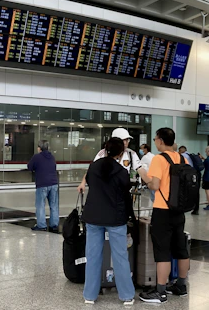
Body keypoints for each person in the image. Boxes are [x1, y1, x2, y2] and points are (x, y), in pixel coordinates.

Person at [79, 136, 136, 305]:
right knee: (120, 256)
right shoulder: (121, 171)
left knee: (93, 256)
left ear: (105, 148)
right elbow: (126, 188)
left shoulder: (93, 167)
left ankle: (89, 295)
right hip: (115, 218)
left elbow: (90, 183)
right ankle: (126, 296)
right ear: (121, 153)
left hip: (93, 216)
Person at [137, 128, 190, 304]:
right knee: (180, 248)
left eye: (155, 139)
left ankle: (160, 292)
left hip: (162, 209)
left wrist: (143, 174)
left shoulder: (159, 159)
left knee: (163, 250)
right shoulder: (181, 157)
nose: (154, 142)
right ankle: (181, 286)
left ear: (160, 140)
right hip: (178, 210)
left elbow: (154, 185)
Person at [27, 142, 60, 233]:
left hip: (42, 184)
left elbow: (29, 167)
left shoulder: (36, 157)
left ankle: (41, 225)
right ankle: (54, 225)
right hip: (53, 183)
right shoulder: (52, 157)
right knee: (54, 205)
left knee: (40, 205)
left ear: (39, 148)